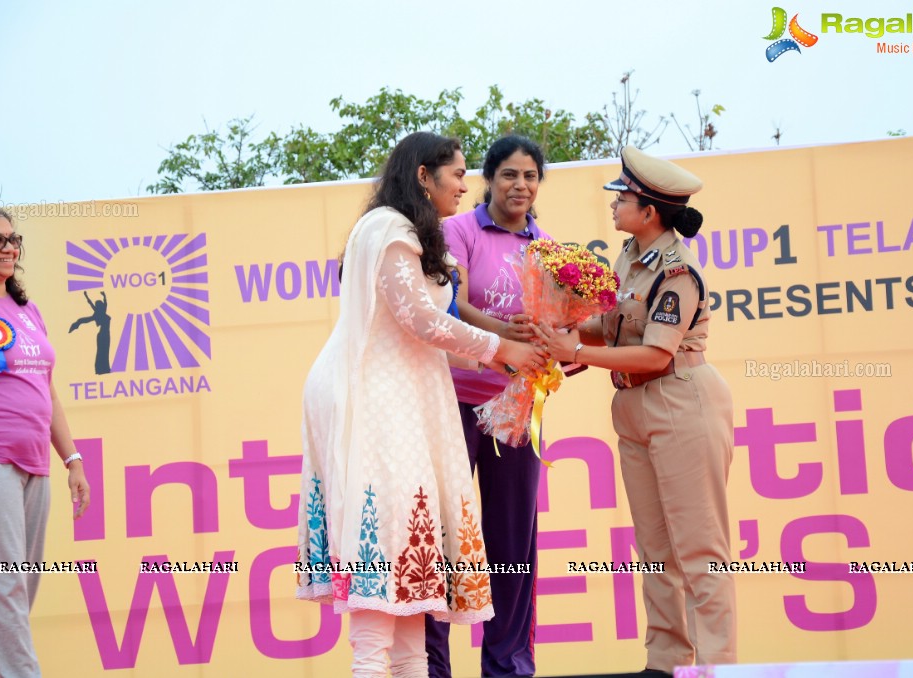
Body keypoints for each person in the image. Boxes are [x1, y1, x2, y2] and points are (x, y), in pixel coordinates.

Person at [296, 132, 548, 678]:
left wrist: (519, 353)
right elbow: (421, 319)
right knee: (385, 549)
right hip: (376, 402)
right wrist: (503, 350)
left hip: (403, 401)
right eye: (456, 173)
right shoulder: (389, 228)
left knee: (413, 577)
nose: (464, 183)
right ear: (422, 176)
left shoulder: (405, 230)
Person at [532, 146, 736, 678]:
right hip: (635, 406)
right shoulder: (628, 256)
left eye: (622, 197)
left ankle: (718, 667)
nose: (615, 204)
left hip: (680, 400)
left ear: (649, 211)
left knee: (700, 550)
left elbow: (656, 352)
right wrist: (564, 330)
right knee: (655, 548)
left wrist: (573, 352)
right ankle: (667, 662)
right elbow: (618, 326)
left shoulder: (678, 270)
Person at [425, 135, 549, 678]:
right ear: (488, 179)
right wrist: (507, 335)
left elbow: (552, 321)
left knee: (513, 539)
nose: (520, 186)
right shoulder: (459, 230)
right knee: (445, 535)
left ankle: (509, 663)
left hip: (516, 405)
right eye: (508, 175)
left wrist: (552, 340)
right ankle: (431, 665)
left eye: (530, 177)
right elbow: (453, 305)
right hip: (453, 400)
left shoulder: (546, 247)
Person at [0, 204, 91, 676]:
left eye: (13, 239)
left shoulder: (27, 310)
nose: (10, 247)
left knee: (21, 584)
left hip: (35, 464)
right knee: (6, 584)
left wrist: (73, 460)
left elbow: (46, 389)